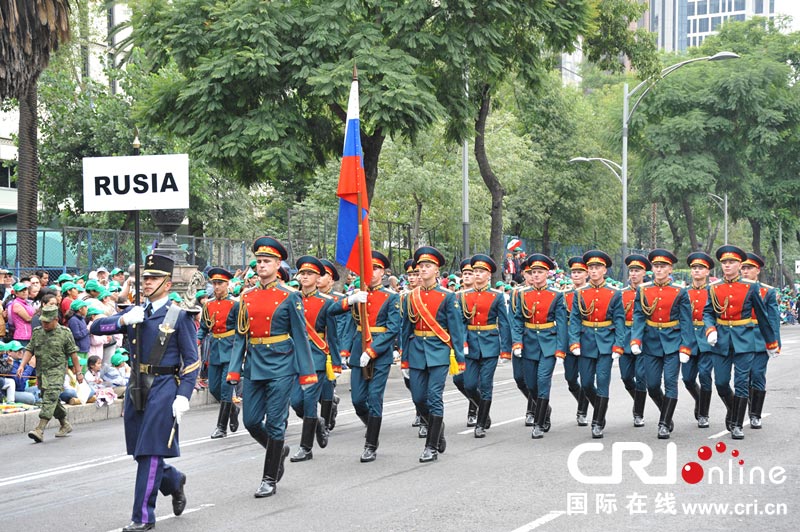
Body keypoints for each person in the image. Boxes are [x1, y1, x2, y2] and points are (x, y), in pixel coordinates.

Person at [90, 254, 199, 531]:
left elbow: (192, 360)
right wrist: (123, 320)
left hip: (164, 387)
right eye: (145, 278)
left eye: (153, 278)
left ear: (168, 283)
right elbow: (95, 327)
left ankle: (142, 517)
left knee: (150, 453)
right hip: (137, 387)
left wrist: (183, 395)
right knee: (141, 452)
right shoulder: (137, 312)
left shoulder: (178, 315)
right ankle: (173, 481)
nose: (147, 283)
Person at [226, 237, 317, 498]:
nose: (262, 265)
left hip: (281, 364)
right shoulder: (247, 296)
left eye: (267, 261)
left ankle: (269, 478)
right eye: (259, 261)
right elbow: (240, 335)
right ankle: (278, 450)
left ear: (278, 264)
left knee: (276, 423)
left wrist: (307, 372)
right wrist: (234, 369)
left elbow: (300, 335)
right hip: (254, 363)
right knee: (252, 421)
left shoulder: (290, 296)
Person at [702, 245, 778, 440]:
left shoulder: (750, 287)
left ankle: (737, 424)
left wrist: (771, 343)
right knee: (720, 383)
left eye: (732, 262)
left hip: (744, 340)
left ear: (739, 265)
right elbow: (708, 312)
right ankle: (733, 408)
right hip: (721, 341)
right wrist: (710, 329)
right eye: (725, 262)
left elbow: (762, 316)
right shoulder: (714, 287)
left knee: (742, 382)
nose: (727, 265)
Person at [332, 251, 399, 462]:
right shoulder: (357, 294)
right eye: (368, 269)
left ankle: (371, 444)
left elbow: (392, 328)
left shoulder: (391, 297)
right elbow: (333, 313)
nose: (372, 273)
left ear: (384, 273)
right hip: (358, 350)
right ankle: (371, 426)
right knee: (358, 400)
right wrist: (350, 300)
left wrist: (372, 351)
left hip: (379, 353)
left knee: (374, 398)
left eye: (376, 269)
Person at [400, 246, 465, 463]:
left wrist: (459, 357)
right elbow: (406, 329)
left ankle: (431, 446)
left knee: (434, 397)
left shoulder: (448, 296)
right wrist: (405, 358)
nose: (423, 270)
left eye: (428, 266)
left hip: (439, 350)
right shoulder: (411, 297)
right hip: (417, 351)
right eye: (421, 267)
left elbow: (456, 329)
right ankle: (438, 429)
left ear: (437, 270)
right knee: (418, 397)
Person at [630, 249, 695, 439]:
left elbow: (686, 321)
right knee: (652, 385)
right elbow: (639, 315)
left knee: (671, 383)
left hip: (673, 342)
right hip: (651, 342)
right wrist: (636, 339)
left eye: (663, 267)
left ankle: (664, 423)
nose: (659, 270)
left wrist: (686, 346)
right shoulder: (643, 290)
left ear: (670, 269)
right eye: (656, 266)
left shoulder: (679, 291)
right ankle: (666, 412)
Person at [568, 250, 625, 439]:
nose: (593, 271)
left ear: (605, 271)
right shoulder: (580, 293)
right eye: (591, 268)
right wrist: (574, 341)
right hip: (586, 342)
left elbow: (619, 321)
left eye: (597, 268)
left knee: (602, 382)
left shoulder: (614, 294)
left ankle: (598, 421)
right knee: (585, 383)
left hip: (606, 343)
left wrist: (618, 345)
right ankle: (599, 409)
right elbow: (575, 319)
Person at [288, 255, 340, 462]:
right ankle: (317, 421)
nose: (305, 277)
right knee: (295, 402)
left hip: (316, 357)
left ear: (318, 277)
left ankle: (306, 448)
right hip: (293, 357)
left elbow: (332, 334)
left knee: (309, 402)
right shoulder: (290, 299)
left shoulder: (326, 302)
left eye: (310, 273)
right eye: (303, 273)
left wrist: (335, 361)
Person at [510, 253, 565, 439]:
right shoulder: (523, 294)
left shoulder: (556, 295)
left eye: (540, 272)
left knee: (543, 381)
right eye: (533, 272)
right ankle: (545, 408)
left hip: (548, 343)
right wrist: (517, 342)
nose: (535, 275)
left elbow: (562, 324)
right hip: (528, 343)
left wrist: (560, 349)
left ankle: (539, 423)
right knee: (530, 383)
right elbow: (517, 320)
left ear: (547, 274)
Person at [461, 254, 511, 438]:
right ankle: (482, 409)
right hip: (470, 345)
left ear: (489, 275)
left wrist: (506, 350)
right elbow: (460, 323)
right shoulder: (463, 295)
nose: (477, 274)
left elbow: (504, 324)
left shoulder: (496, 296)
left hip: (490, 344)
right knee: (469, 385)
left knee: (486, 384)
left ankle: (481, 423)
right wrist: (462, 342)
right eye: (475, 271)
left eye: (481, 272)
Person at [16, 304, 81, 442]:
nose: (44, 324)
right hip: (42, 372)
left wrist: (78, 372)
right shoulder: (38, 332)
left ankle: (40, 429)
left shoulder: (65, 333)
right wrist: (22, 365)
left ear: (56, 319)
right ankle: (64, 424)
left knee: (50, 397)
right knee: (51, 399)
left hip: (57, 371)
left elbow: (73, 354)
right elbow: (29, 349)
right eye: (42, 321)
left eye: (47, 321)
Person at [740, 252, 781, 430]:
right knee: (743, 377)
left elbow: (773, 319)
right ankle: (743, 411)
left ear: (757, 270)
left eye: (749, 268)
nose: (745, 271)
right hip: (740, 337)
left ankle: (755, 414)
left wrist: (775, 342)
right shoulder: (737, 288)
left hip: (759, 337)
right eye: (743, 268)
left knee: (757, 374)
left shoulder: (768, 291)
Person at [198, 267, 239, 439]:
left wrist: (240, 352)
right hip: (215, 349)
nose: (216, 287)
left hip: (231, 349)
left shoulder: (236, 304)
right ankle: (233, 409)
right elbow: (204, 327)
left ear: (227, 284)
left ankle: (221, 427)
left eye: (220, 283)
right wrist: (196, 340)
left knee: (225, 389)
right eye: (214, 283)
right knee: (214, 387)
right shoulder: (208, 305)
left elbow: (241, 329)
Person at [317, 259, 352, 432]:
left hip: (332, 348)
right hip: (313, 347)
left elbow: (345, 327)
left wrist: (343, 350)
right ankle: (331, 402)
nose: (318, 278)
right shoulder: (305, 298)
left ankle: (325, 421)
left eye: (322, 275)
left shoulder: (339, 300)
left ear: (331, 280)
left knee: (326, 386)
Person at [683, 252, 716, 428]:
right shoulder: (684, 292)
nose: (697, 271)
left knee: (704, 375)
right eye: (694, 268)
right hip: (688, 339)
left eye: (701, 268)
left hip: (706, 337)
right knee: (687, 379)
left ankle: (704, 413)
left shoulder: (713, 290)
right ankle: (699, 399)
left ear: (707, 272)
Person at [618, 254, 651, 427]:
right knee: (625, 377)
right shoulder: (621, 294)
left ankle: (638, 412)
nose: (633, 274)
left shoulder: (649, 291)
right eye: (631, 270)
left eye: (637, 270)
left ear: (644, 272)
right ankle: (638, 399)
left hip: (644, 337)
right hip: (625, 338)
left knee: (641, 377)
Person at [562, 256, 591, 426]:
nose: (576, 275)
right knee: (571, 379)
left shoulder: (590, 292)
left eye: (579, 272)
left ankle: (582, 410)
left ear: (586, 274)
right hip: (568, 340)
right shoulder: (564, 294)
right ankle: (584, 401)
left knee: (587, 379)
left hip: (587, 338)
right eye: (573, 272)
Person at [452, 258, 479, 428]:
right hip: (461, 342)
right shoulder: (456, 296)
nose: (468, 276)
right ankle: (477, 403)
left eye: (471, 273)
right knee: (459, 379)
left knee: (475, 381)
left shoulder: (481, 294)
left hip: (479, 341)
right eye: (465, 274)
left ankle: (474, 410)